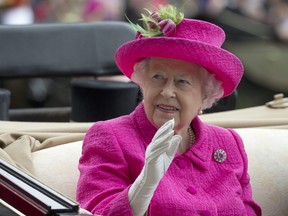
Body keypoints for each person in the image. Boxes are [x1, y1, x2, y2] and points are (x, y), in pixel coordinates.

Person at [76, 4, 261, 216]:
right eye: (158, 77)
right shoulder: (110, 137)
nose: (167, 92)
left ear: (205, 95)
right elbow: (98, 211)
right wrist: (141, 189)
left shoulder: (229, 143)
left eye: (182, 82)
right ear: (143, 82)